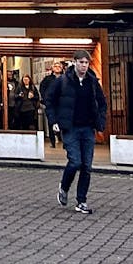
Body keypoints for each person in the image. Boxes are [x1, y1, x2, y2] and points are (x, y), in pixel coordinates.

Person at [45, 50, 108, 214]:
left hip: (88, 128)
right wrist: (54, 121)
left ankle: (81, 201)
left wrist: (100, 121)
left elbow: (102, 102)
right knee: (75, 162)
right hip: (70, 127)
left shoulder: (93, 82)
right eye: (81, 62)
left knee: (87, 166)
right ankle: (64, 187)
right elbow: (49, 101)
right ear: (74, 63)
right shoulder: (63, 81)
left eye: (86, 62)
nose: (84, 65)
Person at [40, 61, 66, 148]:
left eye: (59, 66)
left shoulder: (66, 78)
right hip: (51, 104)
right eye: (55, 66)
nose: (57, 67)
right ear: (52, 68)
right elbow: (42, 88)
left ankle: (64, 141)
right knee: (51, 123)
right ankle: (53, 142)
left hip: (63, 104)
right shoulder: (47, 79)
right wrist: (46, 98)